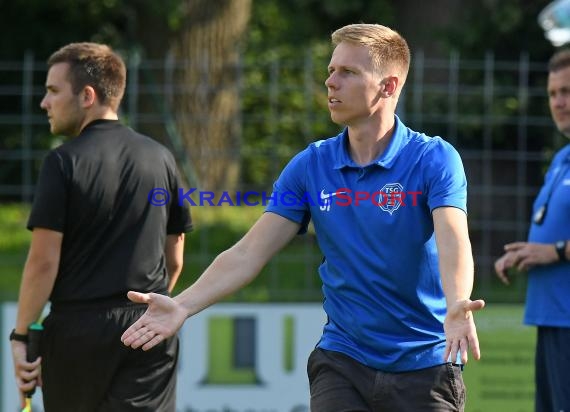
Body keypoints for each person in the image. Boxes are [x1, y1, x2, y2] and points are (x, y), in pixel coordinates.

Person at [122, 23, 485, 411]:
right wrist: (182, 305)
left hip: (425, 363)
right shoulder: (311, 165)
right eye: (331, 70)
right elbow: (248, 254)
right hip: (343, 361)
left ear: (389, 86)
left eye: (348, 72)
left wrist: (457, 303)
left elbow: (452, 239)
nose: (331, 82)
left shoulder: (434, 158)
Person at [10, 42, 192, 412]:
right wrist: (150, 308)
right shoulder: (161, 158)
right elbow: (175, 258)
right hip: (148, 326)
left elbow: (43, 263)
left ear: (88, 95)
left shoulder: (63, 163)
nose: (45, 103)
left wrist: (22, 334)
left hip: (77, 332)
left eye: (53, 91)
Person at [494, 49, 570, 412]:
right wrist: (527, 251)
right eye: (554, 93)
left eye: (568, 91)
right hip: (552, 316)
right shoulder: (561, 160)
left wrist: (553, 251)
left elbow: (556, 244)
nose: (559, 102)